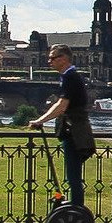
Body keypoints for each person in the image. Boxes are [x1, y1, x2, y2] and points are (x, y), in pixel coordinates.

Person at [29, 44, 94, 206]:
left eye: (53, 58)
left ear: (63, 59)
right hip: (74, 131)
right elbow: (60, 103)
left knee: (73, 177)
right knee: (72, 176)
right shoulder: (68, 76)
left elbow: (61, 106)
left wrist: (40, 121)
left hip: (75, 132)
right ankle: (74, 208)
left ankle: (76, 211)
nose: (49, 61)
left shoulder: (70, 77)